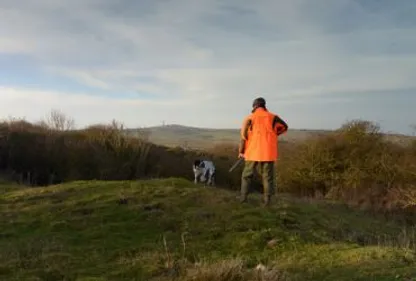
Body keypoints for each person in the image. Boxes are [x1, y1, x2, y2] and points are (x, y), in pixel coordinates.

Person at [238, 97, 288, 206]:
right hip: (268, 152)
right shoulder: (273, 117)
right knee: (267, 176)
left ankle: (243, 199)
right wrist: (274, 134)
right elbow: (284, 127)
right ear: (264, 106)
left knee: (247, 175)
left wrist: (241, 151)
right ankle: (267, 202)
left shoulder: (249, 118)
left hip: (252, 151)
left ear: (254, 106)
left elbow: (243, 137)